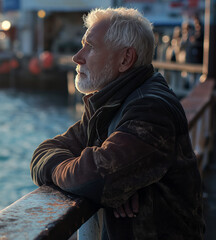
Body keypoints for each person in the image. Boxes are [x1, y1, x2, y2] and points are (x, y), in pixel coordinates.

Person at [30, 7, 204, 239]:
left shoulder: (150, 108)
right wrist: (118, 184)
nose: (77, 57)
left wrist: (108, 183)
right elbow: (43, 151)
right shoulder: (112, 103)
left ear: (125, 59)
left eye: (90, 47)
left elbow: (96, 178)